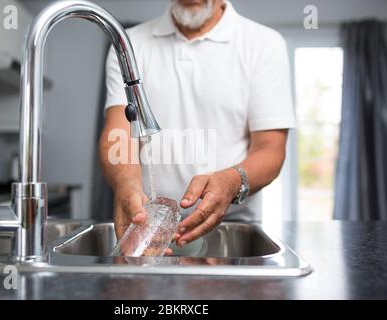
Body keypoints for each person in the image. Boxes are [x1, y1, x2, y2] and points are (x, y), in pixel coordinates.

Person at [99, 0, 295, 254]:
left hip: (230, 232)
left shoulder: (264, 44)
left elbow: (271, 151)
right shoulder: (129, 45)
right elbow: (119, 135)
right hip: (147, 230)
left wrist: (233, 181)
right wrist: (126, 183)